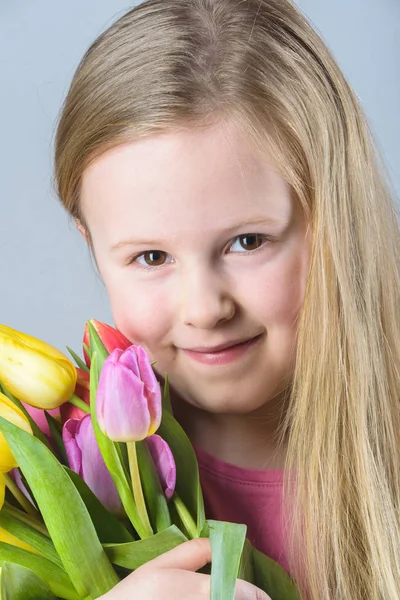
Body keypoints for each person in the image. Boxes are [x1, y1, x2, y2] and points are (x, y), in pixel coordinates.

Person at [53, 0, 400, 598]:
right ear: (91, 243)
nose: (205, 308)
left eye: (246, 241)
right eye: (151, 257)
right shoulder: (46, 472)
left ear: (337, 222)